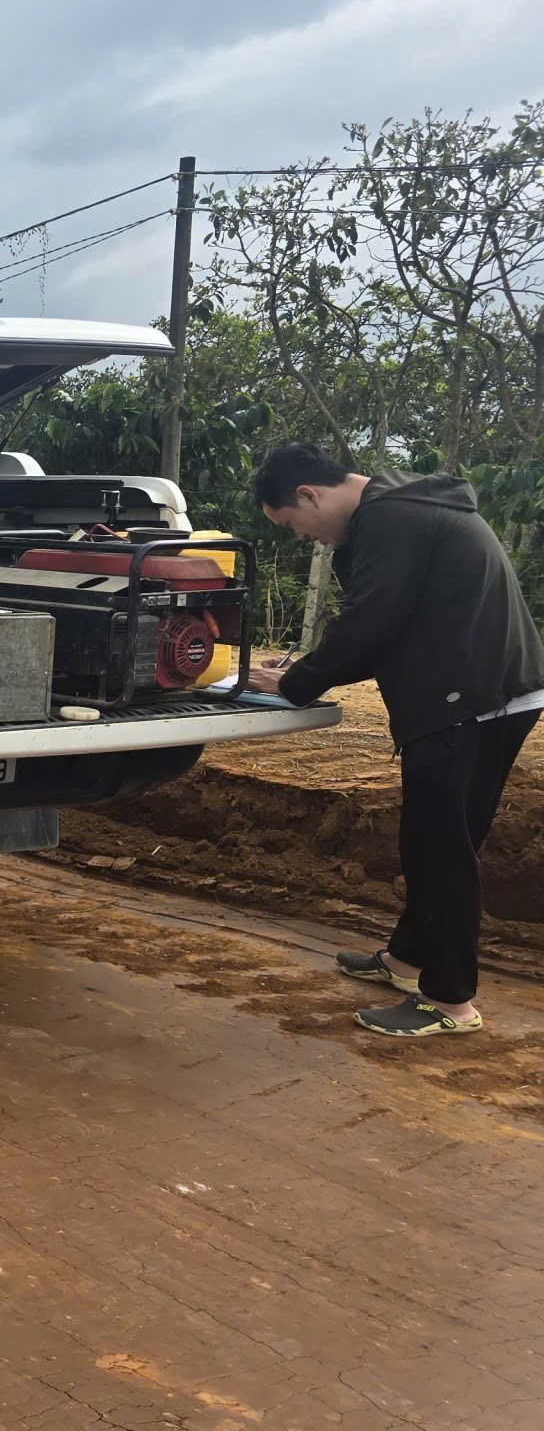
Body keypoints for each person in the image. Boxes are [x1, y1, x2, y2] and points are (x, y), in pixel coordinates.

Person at [249, 442, 542, 1037]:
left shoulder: (390, 517)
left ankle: (450, 1001)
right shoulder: (404, 503)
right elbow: (389, 628)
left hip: (469, 702)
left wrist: (297, 682)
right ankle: (407, 961)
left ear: (309, 494)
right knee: (434, 841)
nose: (309, 539)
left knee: (441, 851)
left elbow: (368, 623)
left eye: (295, 526)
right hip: (490, 693)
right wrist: (303, 671)